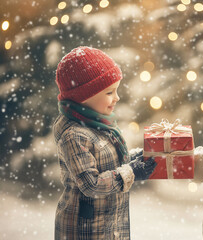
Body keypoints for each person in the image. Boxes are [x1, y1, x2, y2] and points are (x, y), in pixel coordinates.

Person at [53, 46, 157, 240]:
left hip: (108, 226)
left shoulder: (98, 124)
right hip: (85, 230)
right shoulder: (74, 135)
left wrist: (136, 159)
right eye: (110, 92)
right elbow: (91, 184)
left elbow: (109, 162)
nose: (117, 98)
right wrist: (131, 171)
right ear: (84, 96)